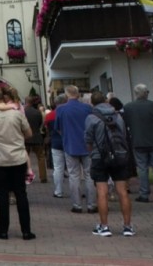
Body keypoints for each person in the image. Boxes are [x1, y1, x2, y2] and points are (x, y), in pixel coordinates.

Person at [0, 85, 35, 240]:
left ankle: (3, 230)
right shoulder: (16, 114)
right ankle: (26, 231)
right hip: (18, 158)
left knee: (2, 195)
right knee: (21, 194)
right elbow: (29, 133)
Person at [84, 91, 134, 237]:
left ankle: (104, 226)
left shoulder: (91, 118)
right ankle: (127, 226)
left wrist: (92, 153)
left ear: (92, 103)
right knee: (122, 191)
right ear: (106, 101)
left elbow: (88, 140)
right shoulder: (118, 116)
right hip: (119, 156)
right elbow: (124, 135)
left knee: (102, 192)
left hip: (100, 157)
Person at [123, 83, 153, 204]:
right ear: (145, 93)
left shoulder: (128, 107)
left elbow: (126, 124)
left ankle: (144, 194)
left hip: (138, 141)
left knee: (142, 169)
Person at [53, 85, 96, 213]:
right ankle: (91, 204)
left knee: (74, 175)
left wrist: (66, 136)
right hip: (87, 146)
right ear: (78, 94)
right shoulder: (87, 108)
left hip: (70, 145)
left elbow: (58, 128)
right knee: (89, 175)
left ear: (66, 95)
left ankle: (77, 205)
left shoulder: (61, 109)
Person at [45, 94, 67, 198]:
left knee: (58, 168)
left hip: (55, 143)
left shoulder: (49, 115)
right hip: (69, 142)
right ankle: (76, 190)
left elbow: (46, 128)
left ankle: (58, 191)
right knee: (73, 169)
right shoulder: (67, 113)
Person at [24, 95, 47, 184]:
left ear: (26, 102)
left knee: (25, 158)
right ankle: (43, 177)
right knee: (41, 157)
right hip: (37, 137)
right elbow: (40, 123)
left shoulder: (23, 113)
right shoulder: (38, 112)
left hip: (26, 138)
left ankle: (26, 176)